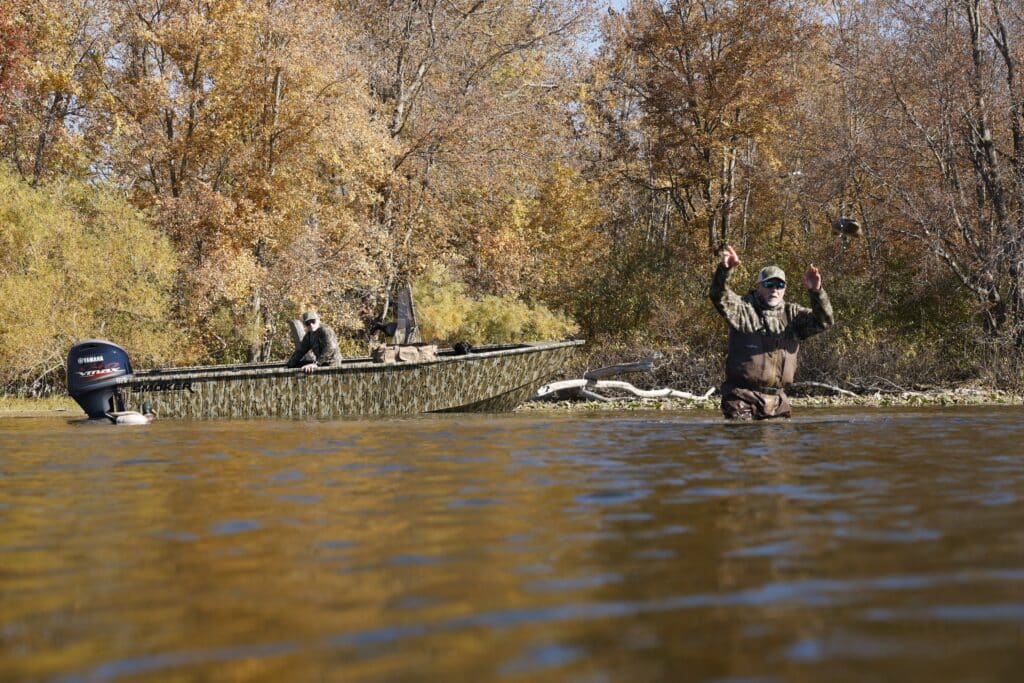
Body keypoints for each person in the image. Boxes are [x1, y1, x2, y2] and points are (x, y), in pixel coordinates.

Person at [709, 245, 835, 420]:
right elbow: (718, 295)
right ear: (759, 287)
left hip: (778, 401)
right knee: (742, 441)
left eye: (779, 285)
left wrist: (816, 292)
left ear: (784, 289)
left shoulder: (793, 315)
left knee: (781, 446)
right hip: (742, 398)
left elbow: (824, 321)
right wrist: (725, 270)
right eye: (769, 284)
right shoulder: (743, 310)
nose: (774, 289)